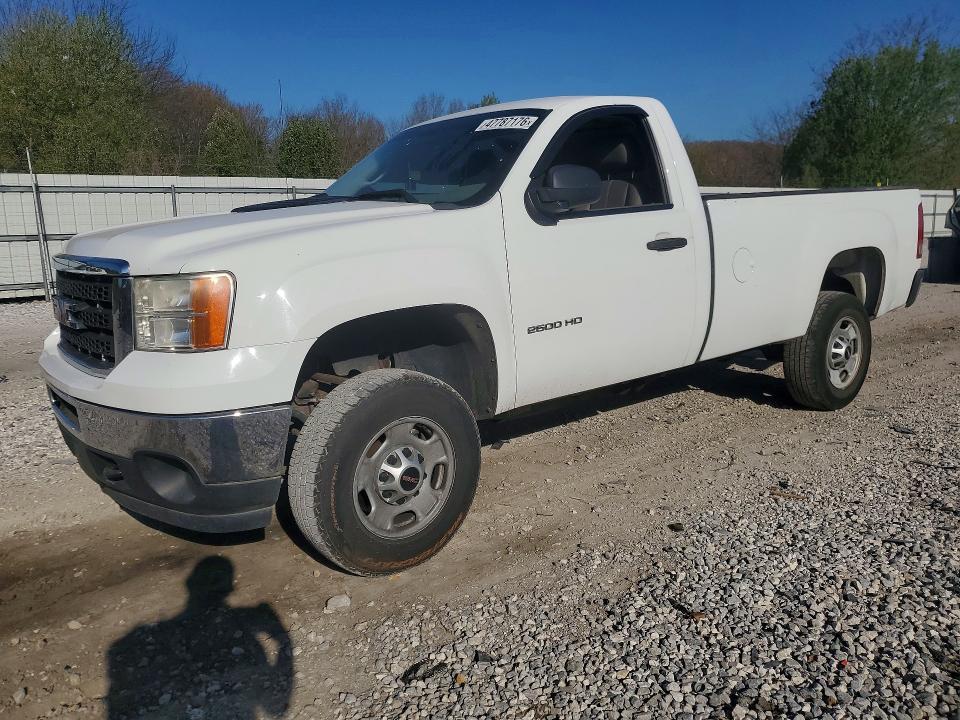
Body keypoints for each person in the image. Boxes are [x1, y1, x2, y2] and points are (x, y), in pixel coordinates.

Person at [106, 556, 292, 719]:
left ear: (190, 584)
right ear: (229, 589)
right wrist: (284, 642)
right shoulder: (242, 633)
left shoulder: (162, 636)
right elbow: (275, 709)